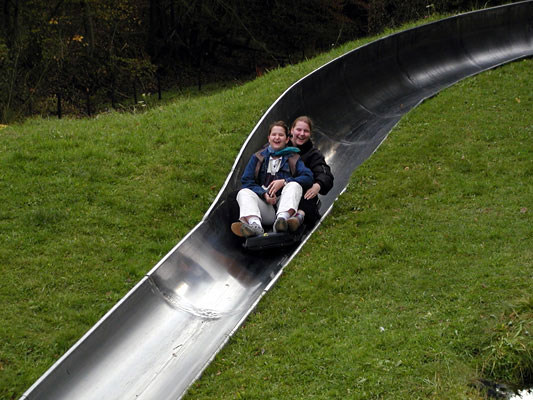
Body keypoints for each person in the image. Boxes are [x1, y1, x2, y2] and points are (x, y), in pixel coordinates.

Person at [231, 121, 313, 238]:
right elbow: (247, 181)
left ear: (287, 139)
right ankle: (255, 225)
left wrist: (284, 182)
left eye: (281, 135)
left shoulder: (293, 158)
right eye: (274, 134)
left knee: (294, 185)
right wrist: (264, 194)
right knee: (243, 192)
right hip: (265, 208)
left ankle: (282, 221)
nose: (277, 138)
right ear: (269, 138)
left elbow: (308, 177)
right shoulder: (258, 157)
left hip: (282, 204)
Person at [286, 116, 334, 230]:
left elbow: (324, 172)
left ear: (310, 133)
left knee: (307, 197)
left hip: (302, 193)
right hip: (281, 191)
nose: (302, 134)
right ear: (292, 130)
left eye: (306, 131)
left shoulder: (313, 154)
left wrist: (318, 185)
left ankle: (298, 217)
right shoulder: (281, 147)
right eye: (298, 130)